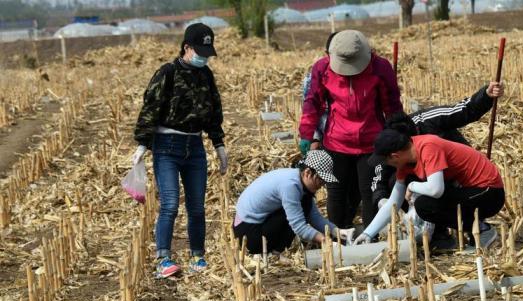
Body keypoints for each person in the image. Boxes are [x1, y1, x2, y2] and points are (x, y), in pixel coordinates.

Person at [131, 23, 228, 278]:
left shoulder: (206, 75)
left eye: (207, 52)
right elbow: (151, 107)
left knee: (197, 206)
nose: (204, 57)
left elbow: (214, 111)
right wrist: (143, 143)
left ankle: (198, 255)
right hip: (167, 147)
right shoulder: (167, 73)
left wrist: (218, 144)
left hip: (195, 147)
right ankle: (163, 258)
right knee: (171, 204)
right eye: (200, 51)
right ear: (186, 47)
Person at [299, 30, 402, 230]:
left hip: (371, 143)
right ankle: (338, 236)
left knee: (369, 191)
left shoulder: (380, 68)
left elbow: (392, 105)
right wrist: (307, 134)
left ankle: (371, 235)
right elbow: (313, 103)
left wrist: (397, 134)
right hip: (336, 142)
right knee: (336, 191)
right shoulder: (322, 68)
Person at [355, 130, 505, 249]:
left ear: (395, 156)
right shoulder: (405, 164)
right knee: (425, 205)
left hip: (489, 193)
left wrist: (411, 186)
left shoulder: (428, 146)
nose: (388, 165)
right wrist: (368, 233)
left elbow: (436, 190)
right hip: (468, 191)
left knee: (425, 204)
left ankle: (482, 229)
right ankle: (475, 229)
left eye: (386, 161)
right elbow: (393, 204)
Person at [371, 82, 504, 210]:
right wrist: (381, 198)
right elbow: (381, 169)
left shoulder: (429, 124)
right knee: (396, 181)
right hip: (427, 180)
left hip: (454, 176)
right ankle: (424, 227)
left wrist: (486, 96)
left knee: (430, 200)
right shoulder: (389, 143)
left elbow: (463, 111)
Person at [234, 150, 355, 254]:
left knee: (305, 204)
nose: (321, 185)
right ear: (308, 173)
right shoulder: (290, 186)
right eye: (320, 180)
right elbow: (299, 226)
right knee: (298, 211)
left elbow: (314, 216)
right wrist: (325, 240)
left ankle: (275, 249)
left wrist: (336, 231)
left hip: (251, 226)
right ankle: (274, 251)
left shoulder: (297, 181)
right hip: (248, 234)